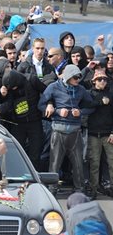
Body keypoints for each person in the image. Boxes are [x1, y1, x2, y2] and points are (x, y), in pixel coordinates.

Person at [40, 65, 95, 196]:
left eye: (79, 77)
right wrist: (56, 111)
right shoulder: (53, 87)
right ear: (68, 76)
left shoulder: (81, 89)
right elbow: (40, 105)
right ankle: (52, 190)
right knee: (54, 163)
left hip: (75, 132)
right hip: (58, 130)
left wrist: (80, 112)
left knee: (78, 164)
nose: (78, 80)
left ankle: (79, 190)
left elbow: (92, 106)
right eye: (75, 77)